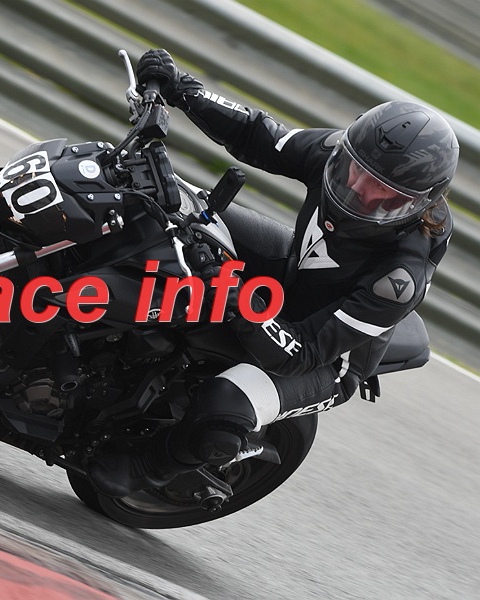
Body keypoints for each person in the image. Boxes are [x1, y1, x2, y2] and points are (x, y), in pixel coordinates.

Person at [88, 49, 459, 497]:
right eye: (354, 171)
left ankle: (154, 466)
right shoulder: (342, 157)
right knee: (173, 209)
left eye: (379, 191)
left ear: (417, 203)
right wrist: (182, 89)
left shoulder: (400, 277)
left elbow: (303, 352)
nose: (356, 189)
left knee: (225, 404)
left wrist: (236, 295)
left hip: (324, 355)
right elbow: (259, 135)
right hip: (292, 270)